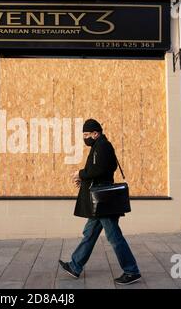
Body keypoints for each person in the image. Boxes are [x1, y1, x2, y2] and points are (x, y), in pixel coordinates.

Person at [58, 119, 141, 285]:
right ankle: (75, 266)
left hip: (103, 201)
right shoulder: (99, 146)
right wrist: (85, 180)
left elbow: (100, 170)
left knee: (114, 237)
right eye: (83, 135)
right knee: (89, 233)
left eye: (87, 134)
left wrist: (80, 174)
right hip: (100, 199)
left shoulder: (102, 146)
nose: (85, 138)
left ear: (96, 133)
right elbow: (100, 170)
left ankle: (131, 271)